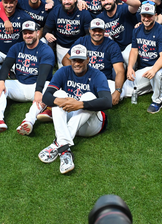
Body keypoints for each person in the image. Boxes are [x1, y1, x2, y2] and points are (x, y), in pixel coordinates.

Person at [38, 44, 112, 174]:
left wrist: (80, 104)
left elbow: (107, 101)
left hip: (91, 125)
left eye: (80, 60)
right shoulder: (63, 71)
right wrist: (61, 101)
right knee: (58, 95)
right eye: (74, 60)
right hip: (71, 121)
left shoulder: (97, 75)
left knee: (89, 96)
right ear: (70, 60)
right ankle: (64, 150)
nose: (77, 64)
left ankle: (58, 143)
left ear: (88, 59)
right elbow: (46, 97)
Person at [0, 21, 56, 135]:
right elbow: (6, 65)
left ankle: (28, 121)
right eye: (25, 33)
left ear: (37, 33)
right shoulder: (17, 47)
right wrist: (1, 81)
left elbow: (43, 74)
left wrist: (38, 91)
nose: (28, 35)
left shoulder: (46, 50)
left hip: (37, 86)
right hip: (20, 84)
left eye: (30, 32)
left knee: (50, 88)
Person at [62, 18, 126, 104]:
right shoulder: (82, 41)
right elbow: (66, 59)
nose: (97, 33)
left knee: (121, 93)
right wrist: (75, 73)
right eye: (94, 30)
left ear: (104, 30)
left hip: (102, 80)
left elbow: (120, 71)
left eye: (100, 30)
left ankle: (89, 99)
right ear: (89, 30)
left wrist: (118, 91)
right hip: (82, 78)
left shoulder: (112, 45)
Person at [127, 3, 162, 114]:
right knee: (128, 91)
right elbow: (134, 50)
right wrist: (130, 67)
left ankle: (157, 101)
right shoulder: (137, 30)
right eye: (144, 15)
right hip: (145, 68)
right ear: (140, 16)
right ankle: (157, 86)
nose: (146, 18)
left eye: (149, 16)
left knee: (157, 75)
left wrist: (153, 70)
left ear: (155, 15)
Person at [44, 0, 93, 67]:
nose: (67, 2)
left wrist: (81, 45)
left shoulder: (83, 12)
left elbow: (89, 33)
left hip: (79, 45)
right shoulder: (56, 11)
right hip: (62, 45)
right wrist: (47, 34)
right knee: (65, 69)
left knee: (79, 68)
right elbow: (46, 28)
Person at [95, 0, 141, 67]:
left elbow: (137, 4)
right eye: (103, 0)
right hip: (114, 48)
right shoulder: (100, 18)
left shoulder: (123, 9)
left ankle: (133, 71)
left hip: (130, 45)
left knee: (127, 56)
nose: (106, 2)